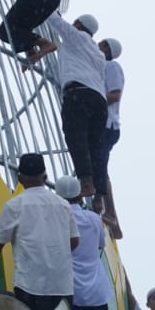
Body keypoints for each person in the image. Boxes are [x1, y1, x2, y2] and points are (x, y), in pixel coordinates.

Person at [0, 152, 77, 310]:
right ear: (45, 177)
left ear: (20, 178)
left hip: (30, 285)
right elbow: (74, 241)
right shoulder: (63, 205)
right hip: (62, 285)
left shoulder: (15, 205)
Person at [40, 12, 109, 205]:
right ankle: (100, 194)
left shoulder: (75, 37)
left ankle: (85, 179)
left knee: (75, 134)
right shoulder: (98, 54)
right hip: (99, 99)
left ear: (78, 24)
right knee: (96, 147)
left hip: (78, 92)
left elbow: (54, 20)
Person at [57, 175, 112, 310]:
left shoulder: (57, 218)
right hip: (97, 291)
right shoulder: (93, 218)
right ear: (80, 194)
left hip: (72, 290)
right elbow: (100, 245)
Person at [97, 37, 125, 237]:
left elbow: (115, 94)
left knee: (99, 167)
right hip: (100, 125)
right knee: (99, 167)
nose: (100, 46)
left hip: (108, 125)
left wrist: (92, 102)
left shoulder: (112, 66)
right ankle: (108, 212)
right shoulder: (98, 66)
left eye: (105, 45)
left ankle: (110, 213)